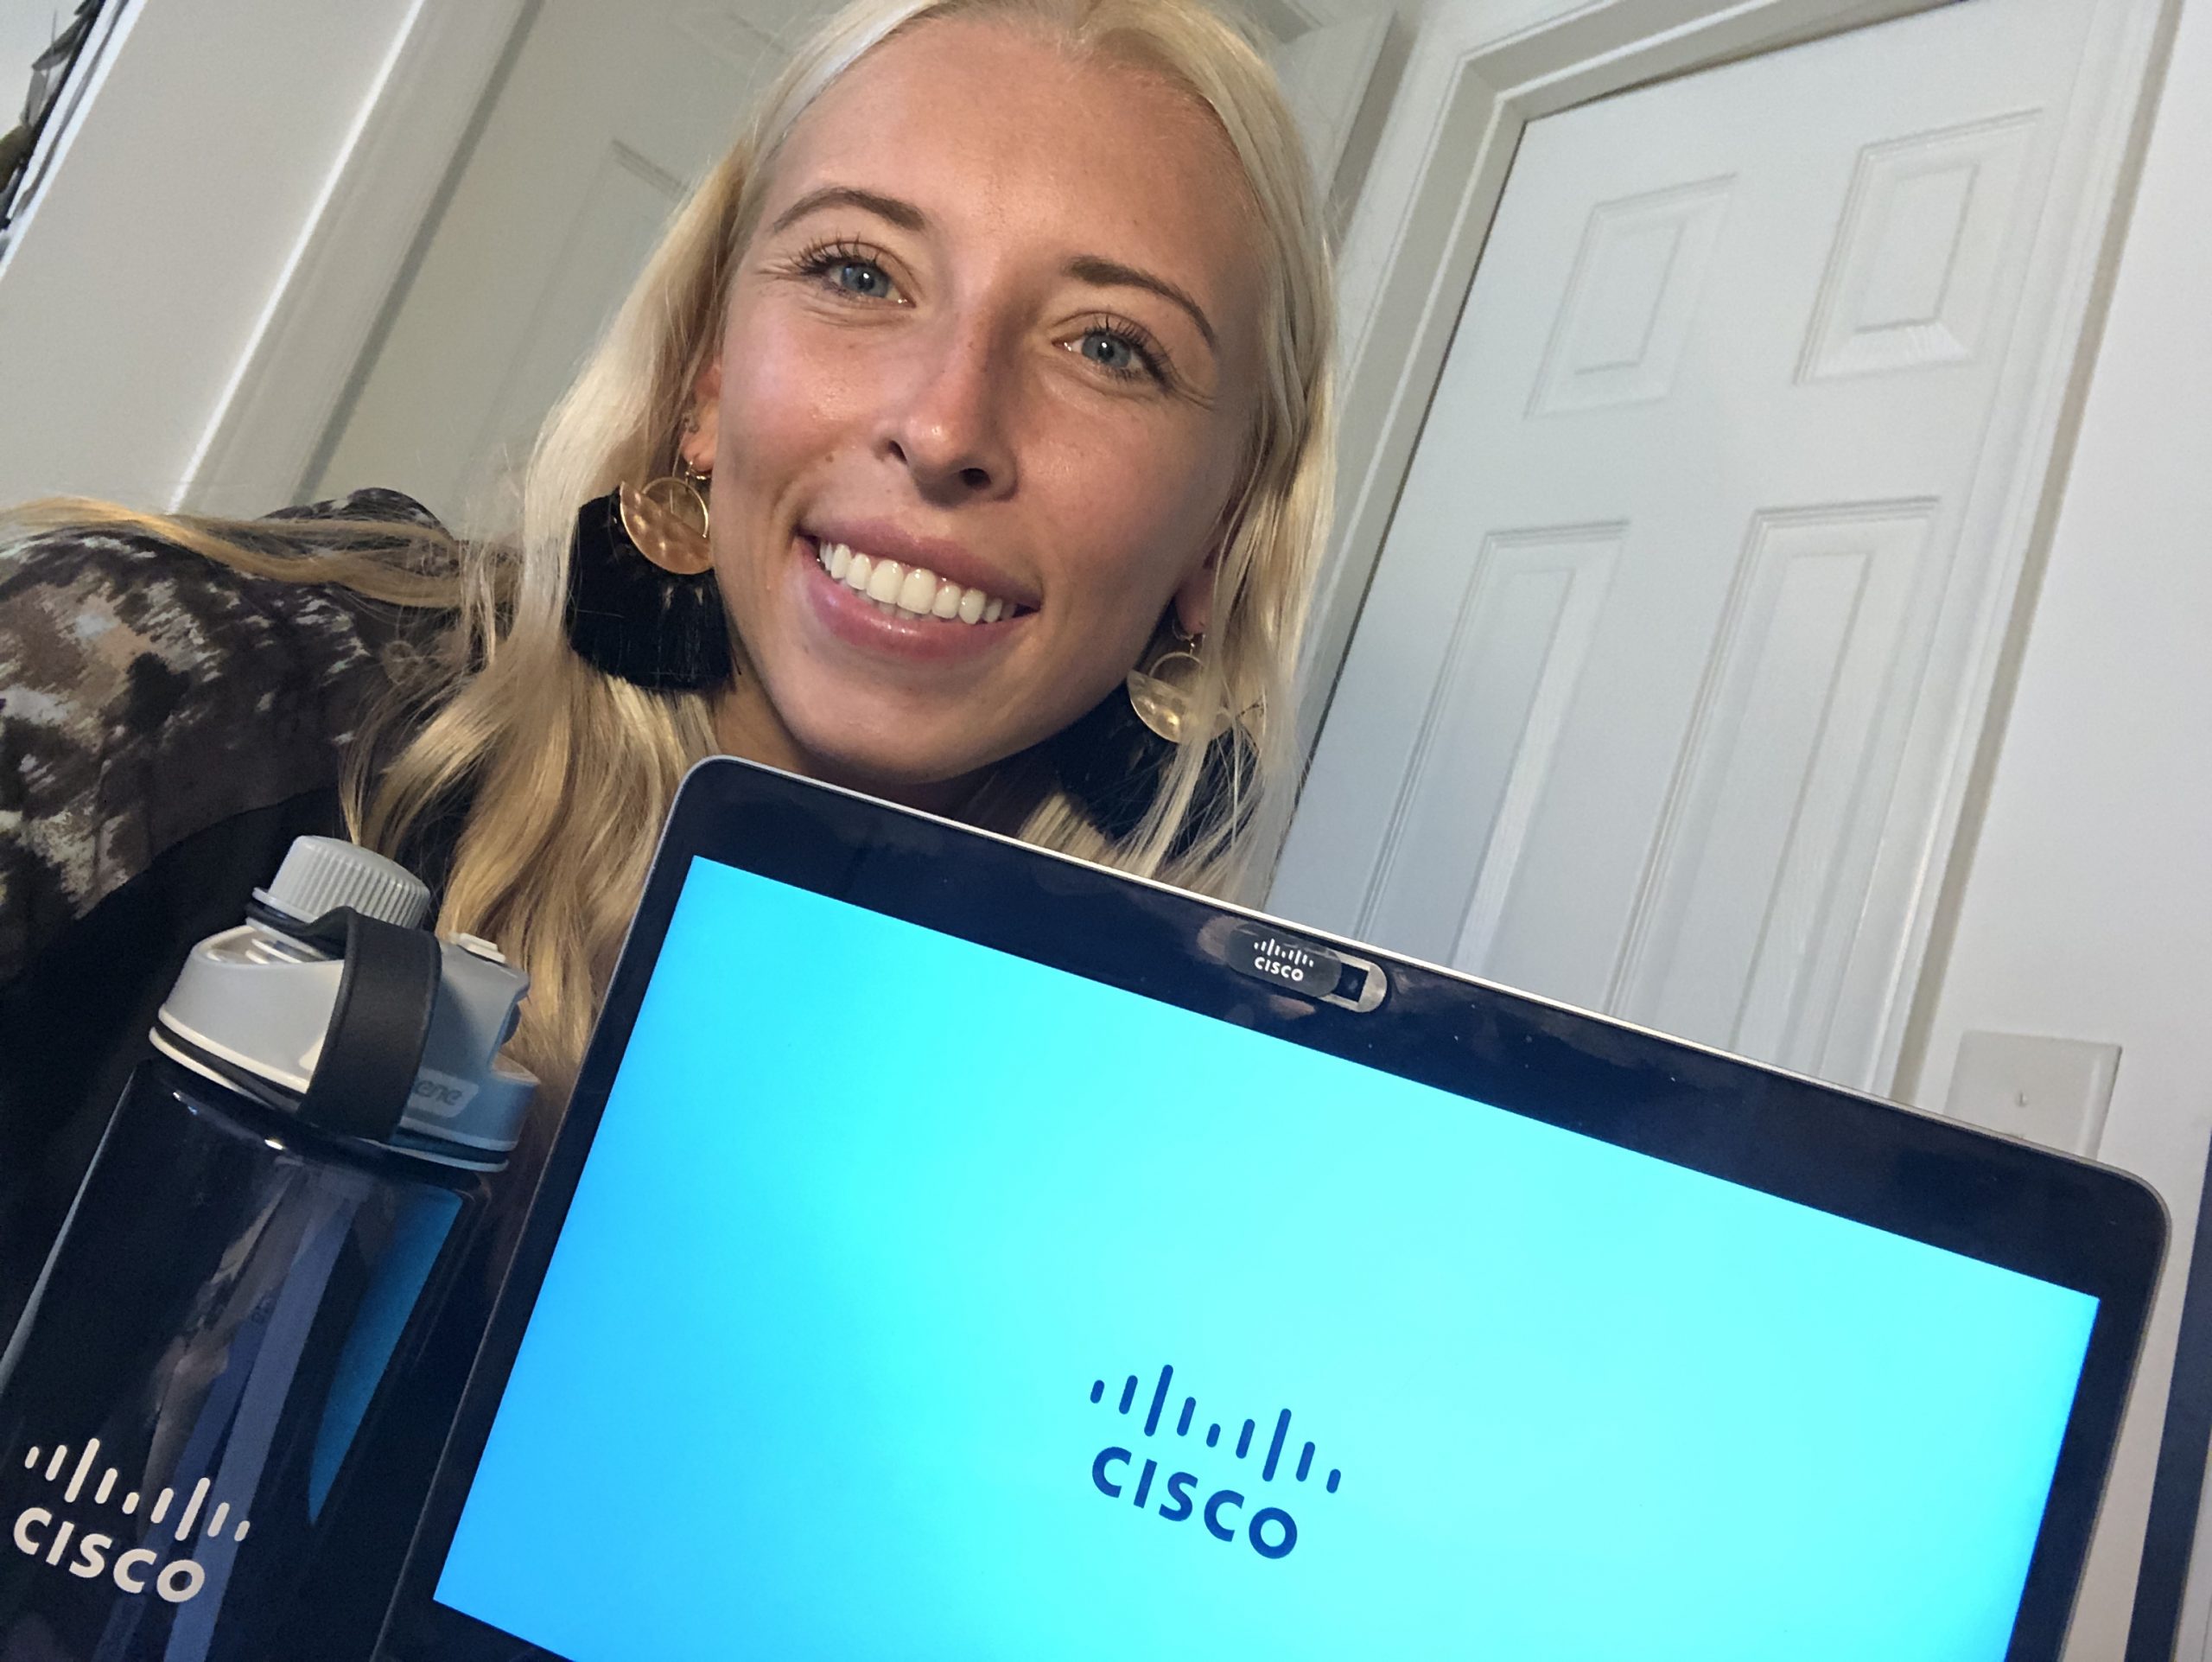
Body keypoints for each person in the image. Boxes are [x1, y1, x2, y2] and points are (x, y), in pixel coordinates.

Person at [0, 0, 1338, 1327]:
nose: (944, 428)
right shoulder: (176, 692)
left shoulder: (1164, 1165)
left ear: (1217, 534)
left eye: (1110, 346)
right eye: (858, 273)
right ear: (707, 380)